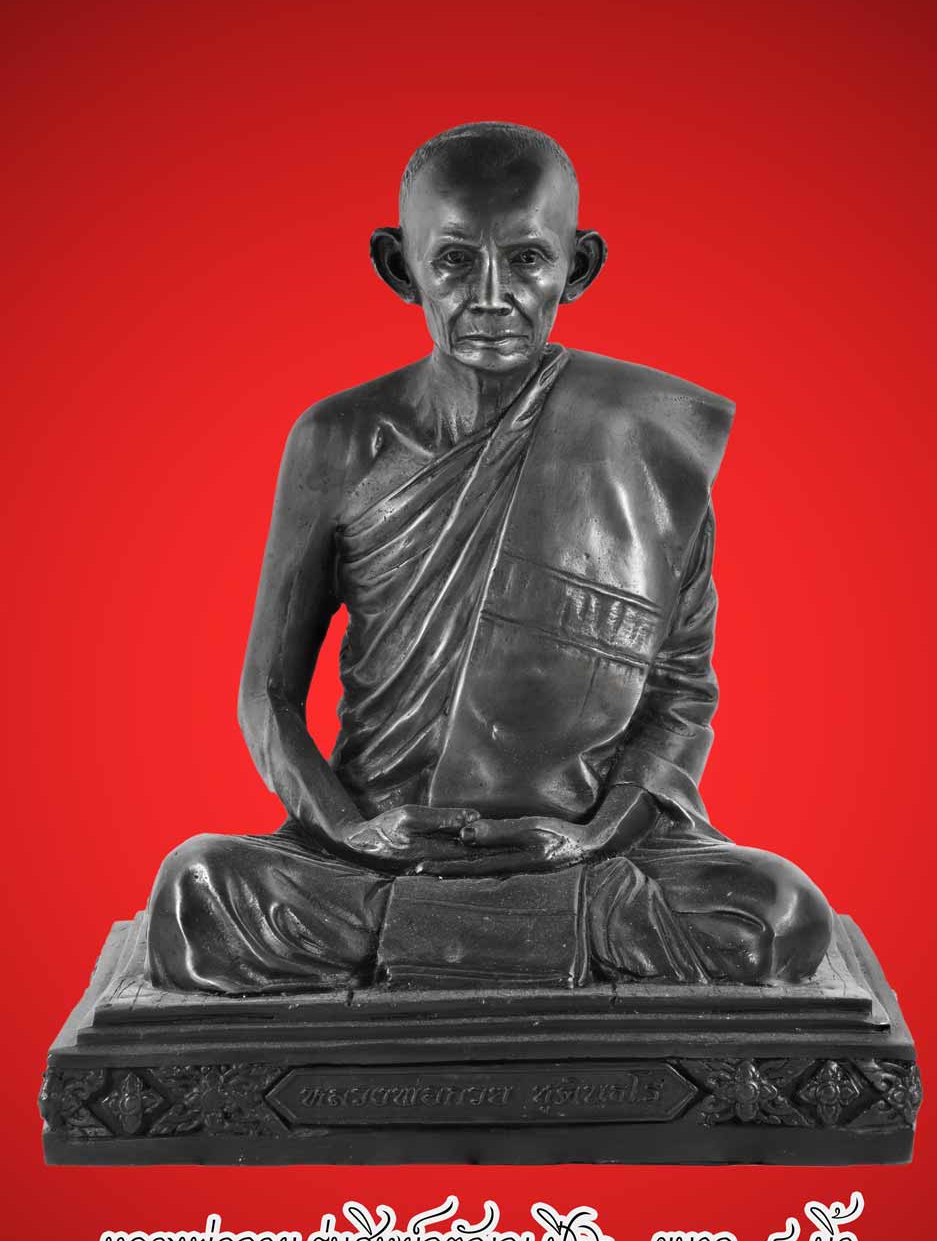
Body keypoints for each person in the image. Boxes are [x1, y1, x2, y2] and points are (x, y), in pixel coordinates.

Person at [146, 123, 832, 993]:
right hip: (381, 849)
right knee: (197, 894)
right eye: (456, 262)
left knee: (781, 914)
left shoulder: (650, 444)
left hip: (579, 850)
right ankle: (522, 935)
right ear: (400, 267)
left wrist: (593, 837)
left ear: (578, 267)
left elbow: (679, 697)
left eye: (528, 260)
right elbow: (269, 695)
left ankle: (432, 938)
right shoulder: (339, 440)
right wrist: (354, 833)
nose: (493, 296)